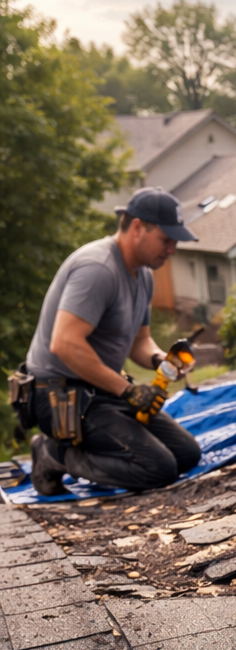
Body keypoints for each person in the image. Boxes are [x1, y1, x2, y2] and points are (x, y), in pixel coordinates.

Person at [25, 187, 202, 495]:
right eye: (166, 239)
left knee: (187, 454)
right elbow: (64, 344)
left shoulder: (143, 275)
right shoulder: (97, 269)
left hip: (100, 390)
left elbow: (139, 342)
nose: (172, 249)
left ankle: (83, 446)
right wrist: (128, 391)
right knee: (158, 468)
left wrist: (161, 360)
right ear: (137, 228)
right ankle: (52, 453)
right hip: (57, 396)